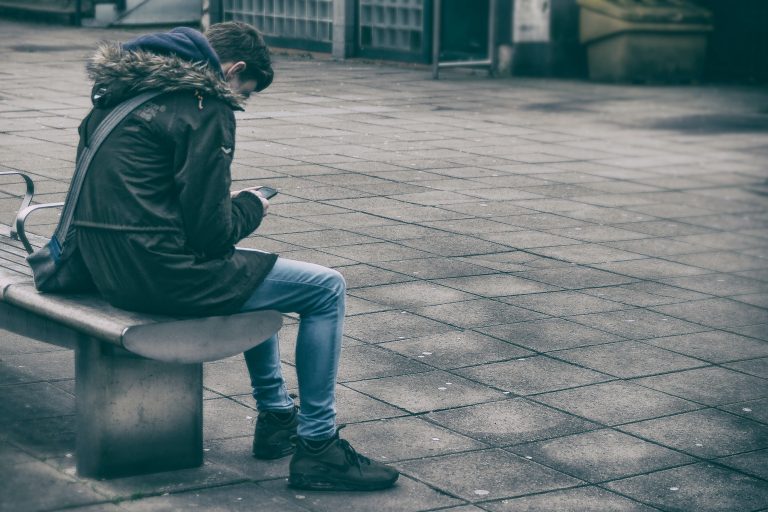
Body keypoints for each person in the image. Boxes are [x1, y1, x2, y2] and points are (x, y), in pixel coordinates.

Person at [71, 21, 398, 492]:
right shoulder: (204, 104)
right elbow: (211, 235)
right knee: (326, 287)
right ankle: (319, 447)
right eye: (245, 91)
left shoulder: (120, 96)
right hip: (162, 275)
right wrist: (250, 204)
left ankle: (278, 415)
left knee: (256, 270)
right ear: (233, 69)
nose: (239, 99)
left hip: (108, 269)